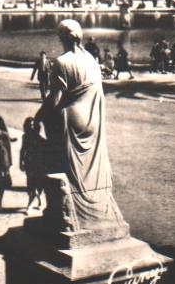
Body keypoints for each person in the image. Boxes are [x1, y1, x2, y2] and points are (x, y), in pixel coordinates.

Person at [36, 19, 126, 232]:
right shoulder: (91, 60)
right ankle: (93, 203)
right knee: (89, 167)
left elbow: (55, 99)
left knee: (64, 164)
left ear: (62, 38)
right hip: (92, 120)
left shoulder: (62, 62)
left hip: (71, 119)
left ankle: (65, 211)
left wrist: (39, 115)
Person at [20, 117, 46, 213]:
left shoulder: (40, 138)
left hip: (39, 163)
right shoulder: (25, 137)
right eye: (29, 125)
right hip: (29, 163)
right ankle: (37, 202)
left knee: (37, 184)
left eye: (33, 125)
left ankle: (31, 205)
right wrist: (21, 162)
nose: (31, 127)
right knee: (31, 184)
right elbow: (23, 150)